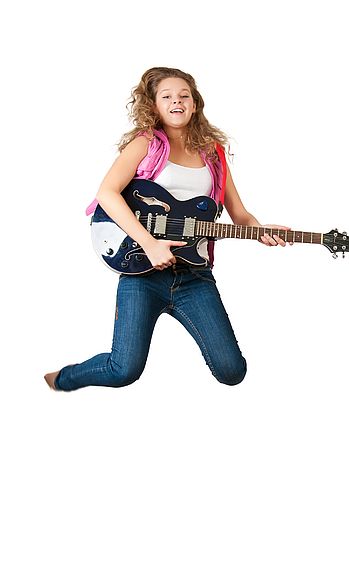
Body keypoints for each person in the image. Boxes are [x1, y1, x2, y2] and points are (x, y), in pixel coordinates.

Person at [44, 66, 291, 392]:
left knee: (233, 371)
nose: (177, 101)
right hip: (142, 273)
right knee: (124, 370)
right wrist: (149, 243)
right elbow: (107, 192)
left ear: (194, 102)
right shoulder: (145, 142)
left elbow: (240, 214)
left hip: (194, 274)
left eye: (184, 95)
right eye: (167, 96)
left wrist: (260, 229)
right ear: (154, 104)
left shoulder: (214, 151)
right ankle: (62, 379)